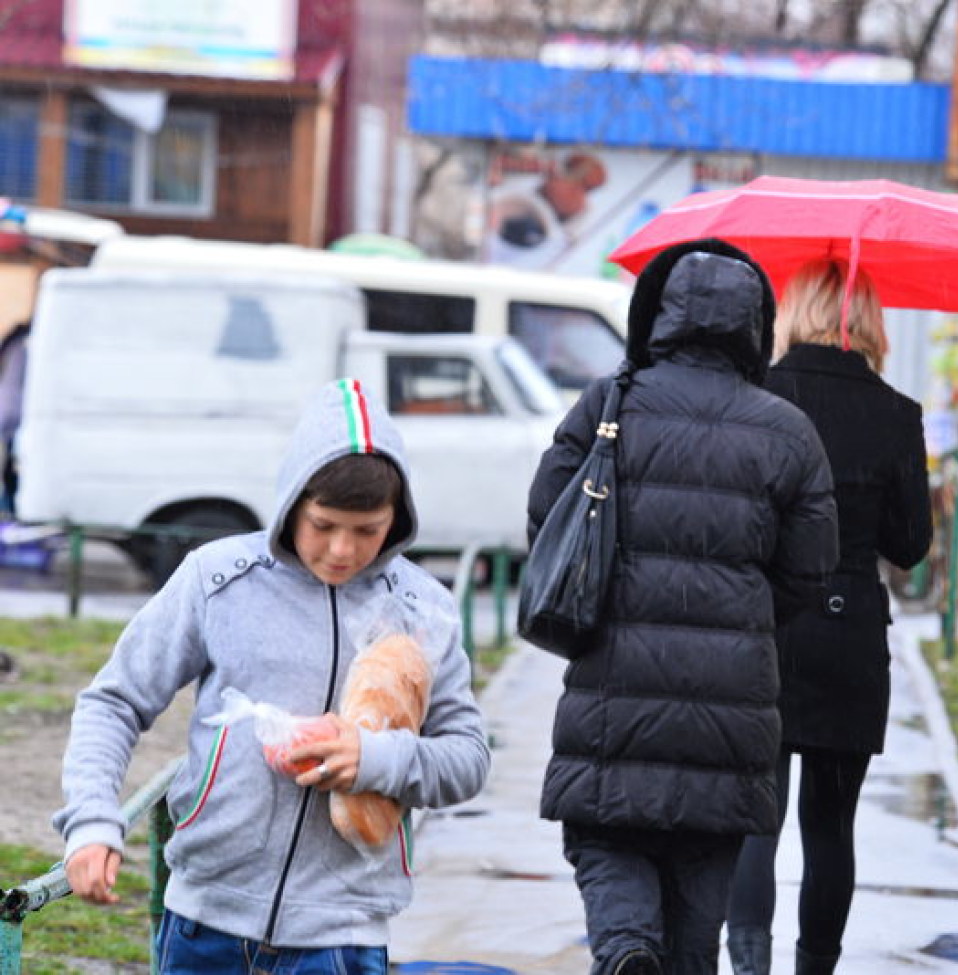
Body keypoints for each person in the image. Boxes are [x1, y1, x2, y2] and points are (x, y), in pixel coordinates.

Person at [54, 377, 491, 974]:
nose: (342, 549)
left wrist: (372, 758)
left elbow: (467, 759)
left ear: (399, 517)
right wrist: (93, 823)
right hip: (204, 922)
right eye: (324, 524)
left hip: (343, 933)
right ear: (291, 503)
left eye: (368, 530)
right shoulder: (217, 579)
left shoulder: (424, 609)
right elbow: (114, 702)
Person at [526, 239, 840, 975]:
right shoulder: (787, 429)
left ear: (656, 314)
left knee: (607, 836)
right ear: (756, 326)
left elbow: (549, 521)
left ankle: (628, 944)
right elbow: (811, 570)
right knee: (704, 877)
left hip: (613, 687)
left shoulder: (609, 404)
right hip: (732, 708)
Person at [725, 260, 934, 975]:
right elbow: (910, 546)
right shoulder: (898, 413)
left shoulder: (757, 394)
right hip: (849, 637)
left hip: (767, 628)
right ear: (871, 320)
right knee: (830, 825)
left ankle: (749, 967)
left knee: (758, 816)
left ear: (794, 311)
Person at [486, 151, 608, 269]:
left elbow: (567, 240)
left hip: (531, 243)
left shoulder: (577, 203)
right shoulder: (577, 202)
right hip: (508, 231)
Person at [0, 320, 29, 514]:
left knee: (10, 474)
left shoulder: (16, 345)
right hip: (13, 421)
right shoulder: (22, 347)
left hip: (10, 420)